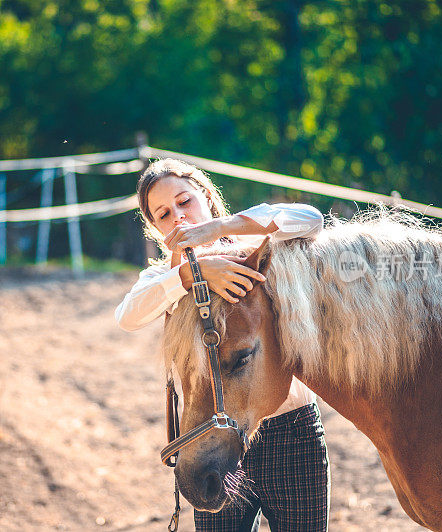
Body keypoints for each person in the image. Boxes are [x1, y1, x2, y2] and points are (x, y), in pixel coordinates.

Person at [115, 158, 330, 531]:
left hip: (291, 433)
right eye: (163, 214)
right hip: (215, 437)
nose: (179, 218)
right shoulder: (164, 279)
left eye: (185, 201)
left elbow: (311, 218)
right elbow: (127, 316)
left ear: (208, 197)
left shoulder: (256, 249)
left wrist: (221, 228)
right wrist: (190, 275)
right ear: (155, 228)